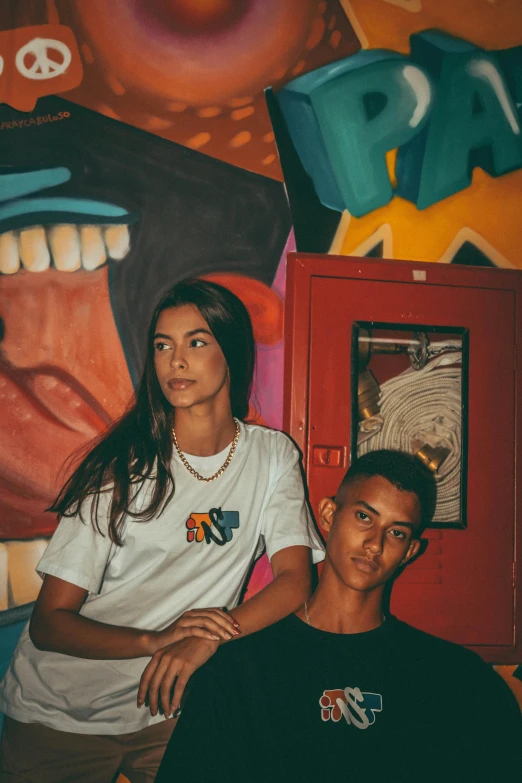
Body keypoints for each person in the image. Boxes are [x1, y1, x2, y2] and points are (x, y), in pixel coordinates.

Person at [0, 278, 324, 783]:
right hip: (62, 717)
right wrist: (160, 639)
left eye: (196, 342)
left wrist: (205, 642)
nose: (176, 360)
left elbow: (294, 579)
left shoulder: (271, 456)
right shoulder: (122, 469)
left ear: (232, 351)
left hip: (171, 713)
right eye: (162, 345)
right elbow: (50, 622)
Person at [156, 449, 522, 783]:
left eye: (396, 533)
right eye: (364, 517)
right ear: (329, 514)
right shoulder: (236, 670)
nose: (375, 544)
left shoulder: (456, 679)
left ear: (410, 551)